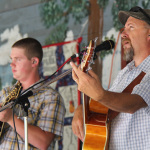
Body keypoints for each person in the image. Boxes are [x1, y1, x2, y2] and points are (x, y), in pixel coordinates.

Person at [70, 6, 150, 149]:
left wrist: (99, 94)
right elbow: (106, 106)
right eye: (124, 28)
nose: (123, 33)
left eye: (130, 27)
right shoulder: (124, 73)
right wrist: (82, 109)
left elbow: (133, 104)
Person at [0, 37, 66, 150]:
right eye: (12, 59)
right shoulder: (5, 93)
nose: (12, 64)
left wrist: (11, 118)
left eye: (18, 59)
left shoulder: (51, 97)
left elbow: (43, 142)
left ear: (34, 62)